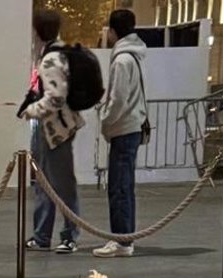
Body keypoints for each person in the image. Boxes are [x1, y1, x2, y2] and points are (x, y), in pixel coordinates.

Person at [21, 10, 83, 255]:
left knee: (61, 184)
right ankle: (42, 235)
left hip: (56, 130)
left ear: (37, 31)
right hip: (53, 128)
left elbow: (56, 98)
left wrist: (31, 110)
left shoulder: (51, 59)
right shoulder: (55, 54)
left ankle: (69, 235)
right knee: (44, 182)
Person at [94, 8, 147, 259]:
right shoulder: (134, 56)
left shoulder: (122, 60)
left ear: (113, 31)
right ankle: (124, 237)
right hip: (131, 127)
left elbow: (117, 100)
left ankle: (122, 240)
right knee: (124, 186)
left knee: (119, 187)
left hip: (123, 129)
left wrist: (105, 122)